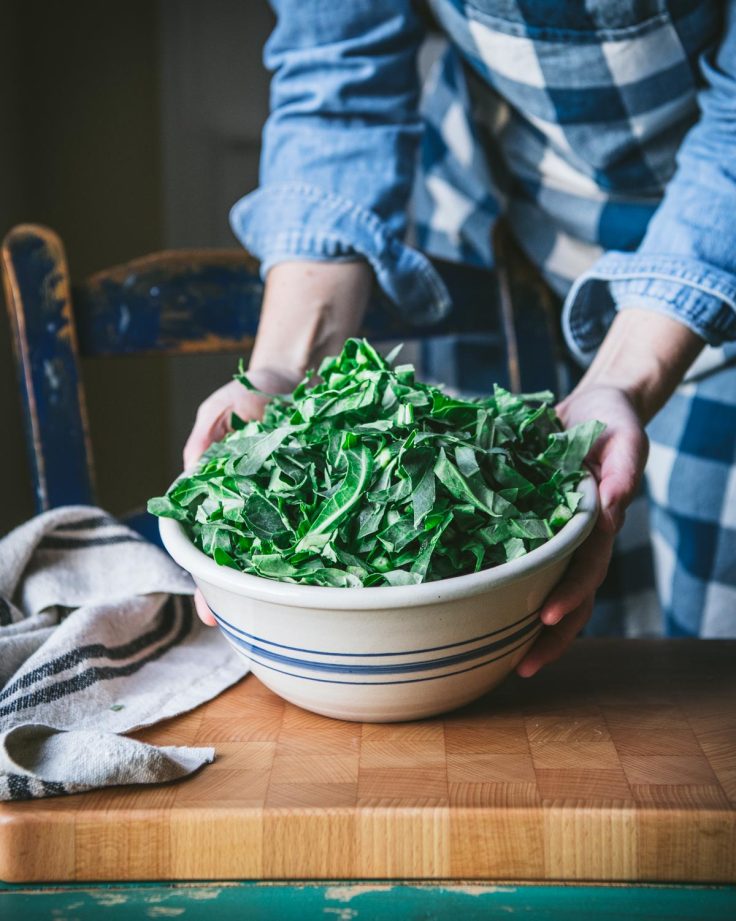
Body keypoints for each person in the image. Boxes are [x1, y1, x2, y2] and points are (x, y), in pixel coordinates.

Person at [184, 1, 736, 674]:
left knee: (701, 655)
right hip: (498, 193)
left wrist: (620, 378)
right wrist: (279, 374)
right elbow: (340, 68)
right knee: (501, 594)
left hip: (712, 236)